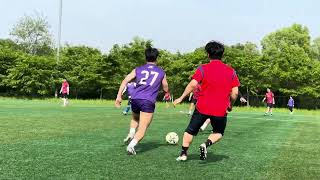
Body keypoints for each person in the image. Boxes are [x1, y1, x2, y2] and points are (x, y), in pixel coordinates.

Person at [173, 41, 240, 161]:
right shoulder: (231, 71)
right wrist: (230, 105)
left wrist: (181, 98)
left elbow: (193, 84)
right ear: (222, 55)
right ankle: (206, 144)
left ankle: (183, 154)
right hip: (220, 110)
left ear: (208, 54)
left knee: (190, 131)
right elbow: (235, 92)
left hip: (202, 108)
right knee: (218, 132)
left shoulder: (202, 69)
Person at [115, 47, 170, 155]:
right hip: (147, 101)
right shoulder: (161, 72)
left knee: (135, 118)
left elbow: (125, 80)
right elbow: (165, 86)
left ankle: (131, 133)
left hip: (135, 99)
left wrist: (118, 96)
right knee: (143, 128)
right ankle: (131, 146)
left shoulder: (138, 69)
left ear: (146, 57)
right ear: (156, 58)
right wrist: (166, 92)